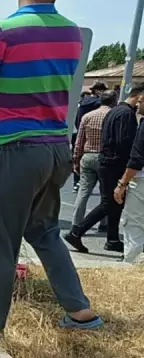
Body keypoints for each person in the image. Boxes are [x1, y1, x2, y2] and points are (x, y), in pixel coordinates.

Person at [0, 0, 101, 344]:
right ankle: (80, 311)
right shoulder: (70, 32)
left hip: (15, 149)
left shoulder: (4, 31)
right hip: (56, 146)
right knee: (43, 230)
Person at [64, 84, 144, 253]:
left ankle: (112, 239)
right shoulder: (126, 114)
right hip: (114, 163)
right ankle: (76, 232)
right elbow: (124, 142)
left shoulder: (115, 111)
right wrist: (128, 168)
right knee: (109, 203)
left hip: (106, 161)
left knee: (115, 203)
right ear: (138, 96)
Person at [69, 91, 116, 231]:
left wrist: (76, 160)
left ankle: (76, 223)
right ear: (114, 101)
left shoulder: (87, 116)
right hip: (104, 158)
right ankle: (104, 223)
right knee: (105, 193)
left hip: (88, 156)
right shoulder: (113, 116)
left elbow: (79, 141)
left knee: (83, 192)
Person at [114, 108, 144, 263]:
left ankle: (133, 264)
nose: (138, 106)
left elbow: (137, 157)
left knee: (134, 223)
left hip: (141, 181)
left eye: (141, 101)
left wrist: (122, 183)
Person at [71, 82, 109, 191]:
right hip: (94, 137)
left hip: (80, 132)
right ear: (98, 91)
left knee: (78, 156)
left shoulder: (82, 103)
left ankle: (76, 182)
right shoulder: (98, 104)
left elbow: (78, 120)